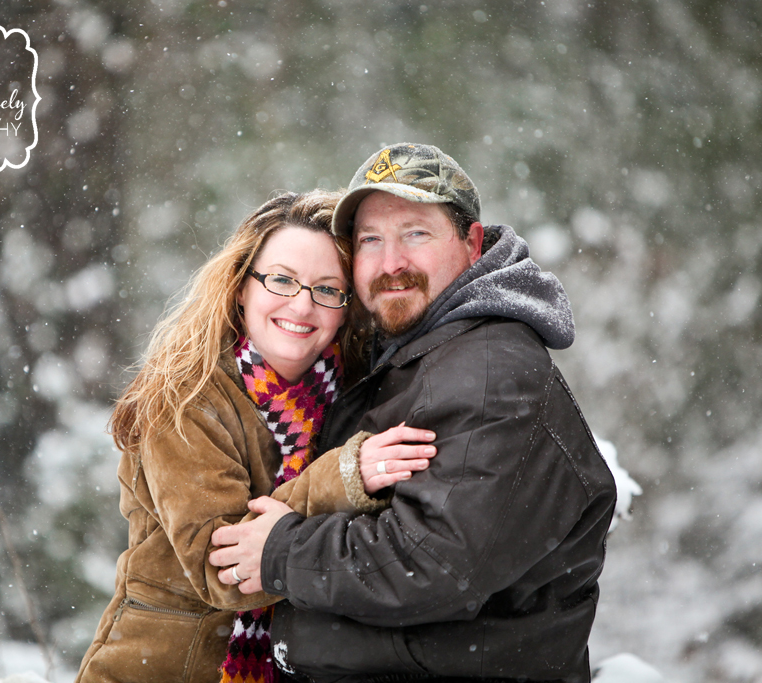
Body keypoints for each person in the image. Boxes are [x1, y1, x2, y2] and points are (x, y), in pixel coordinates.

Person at [210, 143, 618, 683]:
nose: (391, 263)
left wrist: (284, 551)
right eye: (371, 241)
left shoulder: (490, 371)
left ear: (472, 243)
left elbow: (432, 562)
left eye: (415, 234)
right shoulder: (413, 355)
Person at [75, 190, 437, 683]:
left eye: (327, 289)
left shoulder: (354, 393)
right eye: (283, 280)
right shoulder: (185, 400)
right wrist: (344, 475)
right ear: (242, 286)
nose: (302, 305)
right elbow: (222, 569)